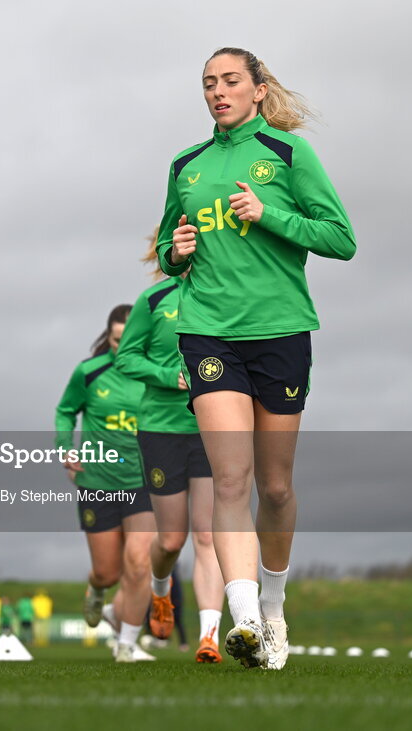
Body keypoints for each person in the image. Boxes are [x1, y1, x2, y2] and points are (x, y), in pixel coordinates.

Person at [156, 48, 356, 669]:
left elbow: (340, 239)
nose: (218, 92)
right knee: (231, 477)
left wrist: (269, 215)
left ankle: (272, 606)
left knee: (274, 485)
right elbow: (165, 244)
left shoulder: (290, 155)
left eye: (231, 81)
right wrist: (177, 249)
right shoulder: (185, 165)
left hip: (281, 332)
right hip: (208, 331)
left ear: (259, 89)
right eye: (209, 84)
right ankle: (241, 622)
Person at [116, 229, 226, 664]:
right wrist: (168, 376)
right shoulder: (154, 300)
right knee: (170, 540)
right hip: (161, 428)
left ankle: (209, 635)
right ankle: (161, 592)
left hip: (211, 427)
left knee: (206, 534)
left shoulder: (225, 294)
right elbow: (127, 357)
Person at [55, 304, 157, 662]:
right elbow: (66, 411)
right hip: (97, 483)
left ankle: (127, 644)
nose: (120, 345)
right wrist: (64, 449)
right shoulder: (89, 372)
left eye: (127, 339)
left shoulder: (155, 372)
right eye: (115, 340)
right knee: (108, 571)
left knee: (139, 562)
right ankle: (98, 591)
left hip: (145, 484)